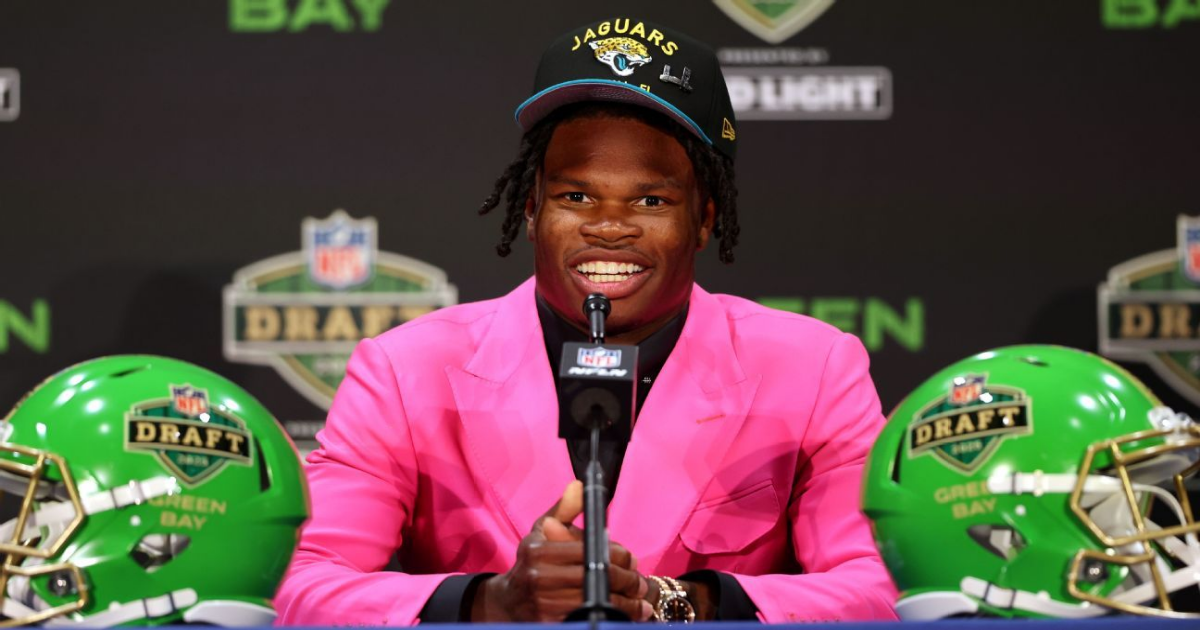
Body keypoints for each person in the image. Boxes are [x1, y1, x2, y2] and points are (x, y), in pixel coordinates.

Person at [274, 17, 897, 624]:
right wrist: (490, 603)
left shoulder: (813, 369)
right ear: (531, 209)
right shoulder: (405, 371)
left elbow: (884, 586)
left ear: (704, 219)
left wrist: (680, 601)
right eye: (576, 196)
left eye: (650, 200)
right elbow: (294, 583)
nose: (609, 227)